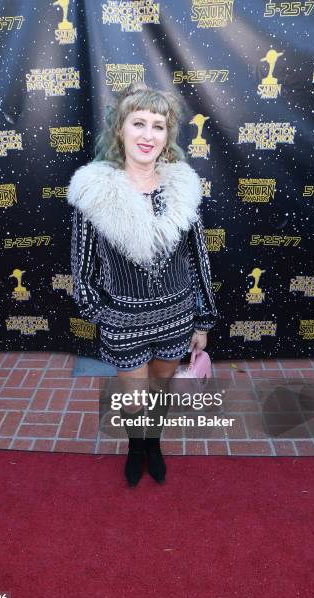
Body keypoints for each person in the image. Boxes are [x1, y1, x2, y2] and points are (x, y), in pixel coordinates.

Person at [66, 82, 219, 487]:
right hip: (124, 324)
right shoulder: (94, 193)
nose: (148, 135)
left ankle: (154, 445)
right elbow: (82, 269)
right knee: (135, 398)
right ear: (120, 129)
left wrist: (202, 321)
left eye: (158, 125)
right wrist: (105, 313)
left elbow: (198, 258)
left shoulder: (183, 189)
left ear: (167, 136)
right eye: (139, 123)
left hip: (175, 318)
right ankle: (137, 447)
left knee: (160, 390)